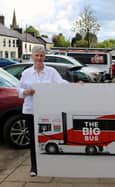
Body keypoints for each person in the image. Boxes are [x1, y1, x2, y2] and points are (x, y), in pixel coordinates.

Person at [17, 45, 67, 177]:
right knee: (33, 140)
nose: (39, 58)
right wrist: (25, 92)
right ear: (32, 56)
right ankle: (34, 167)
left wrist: (76, 85)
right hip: (30, 110)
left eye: (41, 55)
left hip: (47, 111)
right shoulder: (26, 73)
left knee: (51, 138)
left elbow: (62, 84)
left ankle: (51, 166)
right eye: (37, 55)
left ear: (44, 57)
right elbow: (19, 90)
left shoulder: (51, 71)